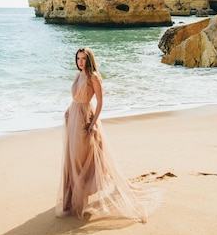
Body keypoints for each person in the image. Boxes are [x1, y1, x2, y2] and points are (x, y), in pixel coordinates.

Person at [56, 46, 155, 222]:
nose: (80, 62)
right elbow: (76, 98)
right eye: (78, 59)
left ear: (89, 60)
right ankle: (73, 198)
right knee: (72, 158)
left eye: (83, 59)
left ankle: (82, 197)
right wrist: (68, 111)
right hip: (73, 117)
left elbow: (100, 102)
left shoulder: (94, 77)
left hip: (85, 119)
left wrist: (93, 124)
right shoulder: (78, 75)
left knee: (81, 158)